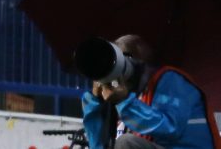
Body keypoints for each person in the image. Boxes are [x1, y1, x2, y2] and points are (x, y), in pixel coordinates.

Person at [81, 34, 217, 149]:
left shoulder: (170, 80)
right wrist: (96, 103)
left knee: (126, 143)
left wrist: (124, 102)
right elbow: (98, 146)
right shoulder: (134, 94)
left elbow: (170, 129)